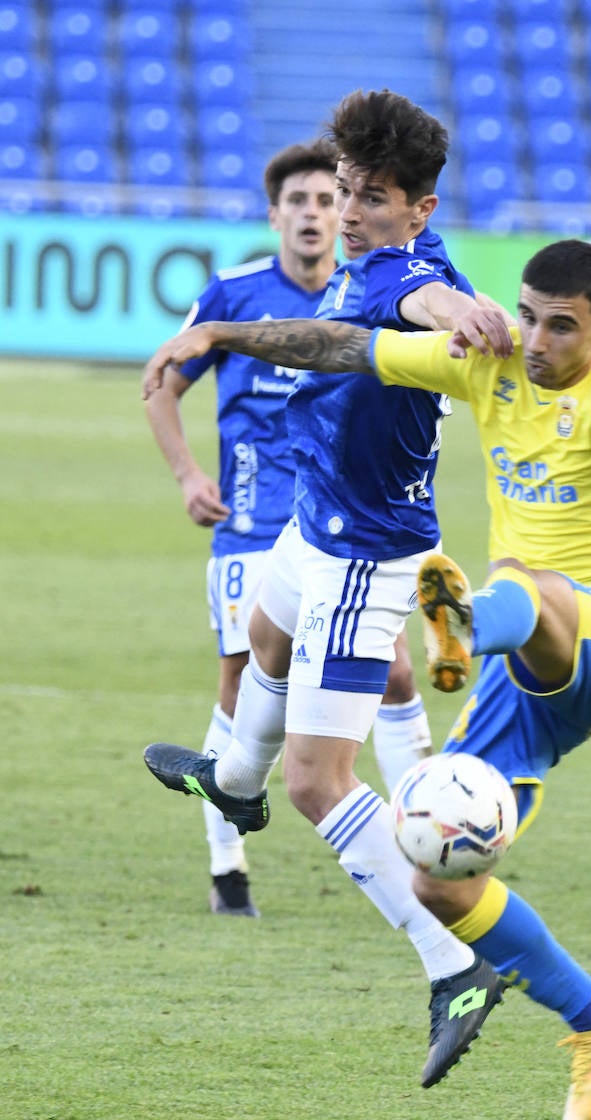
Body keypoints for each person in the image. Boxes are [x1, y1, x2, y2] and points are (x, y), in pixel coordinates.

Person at [143, 238, 591, 1120]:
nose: (540, 341)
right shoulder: (492, 366)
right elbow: (345, 345)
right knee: (438, 877)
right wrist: (221, 334)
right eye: (529, 317)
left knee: (529, 586)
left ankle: (465, 622)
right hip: (520, 687)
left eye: (562, 327)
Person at [141, 88, 515, 1088]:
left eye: (371, 197)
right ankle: (233, 783)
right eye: (345, 190)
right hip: (312, 525)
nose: (348, 212)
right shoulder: (378, 256)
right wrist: (225, 338)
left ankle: (454, 967)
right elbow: (336, 336)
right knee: (262, 636)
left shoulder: (402, 273)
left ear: (419, 210)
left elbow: (419, 306)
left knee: (317, 781)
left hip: (362, 555)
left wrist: (462, 313)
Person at [145, 139, 434, 919]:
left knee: (397, 673)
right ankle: (228, 870)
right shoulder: (235, 293)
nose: (313, 213)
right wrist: (189, 476)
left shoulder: (358, 287)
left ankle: (427, 829)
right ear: (274, 215)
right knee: (243, 675)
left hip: (336, 518)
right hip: (250, 523)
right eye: (298, 201)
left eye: (325, 200)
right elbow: (161, 382)